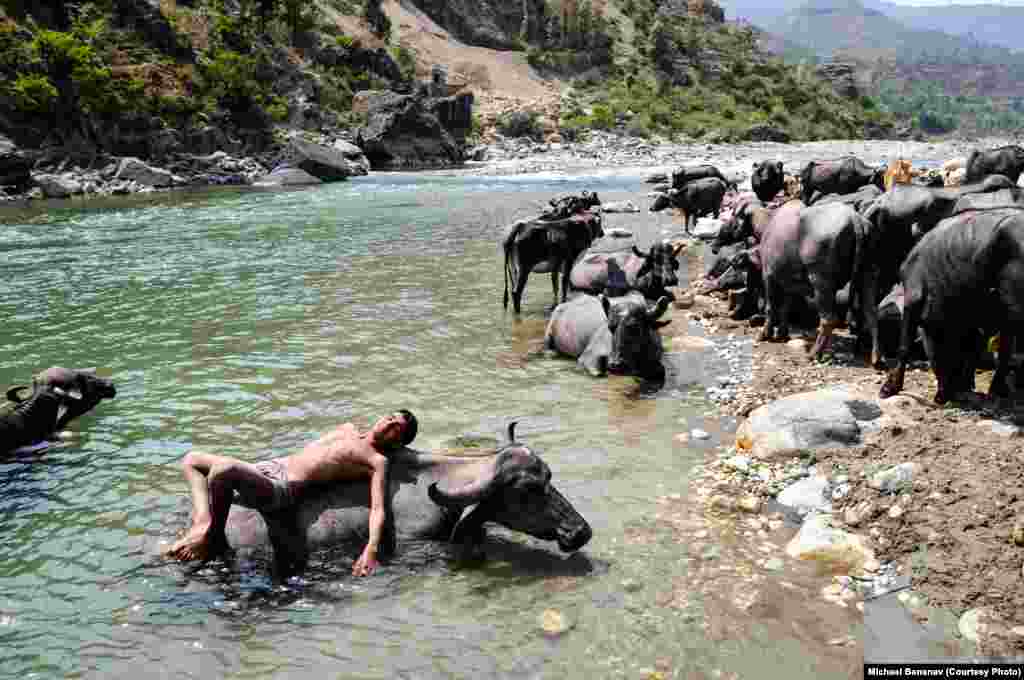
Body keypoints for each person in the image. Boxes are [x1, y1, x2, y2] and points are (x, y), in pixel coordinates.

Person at [164, 409, 418, 576]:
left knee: (223, 469)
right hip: (268, 467)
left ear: (398, 442)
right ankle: (203, 521)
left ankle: (213, 536)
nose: (389, 424)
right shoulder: (348, 429)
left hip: (283, 488)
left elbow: (378, 508)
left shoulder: (376, 460)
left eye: (397, 428)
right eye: (390, 417)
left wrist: (371, 548)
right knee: (192, 459)